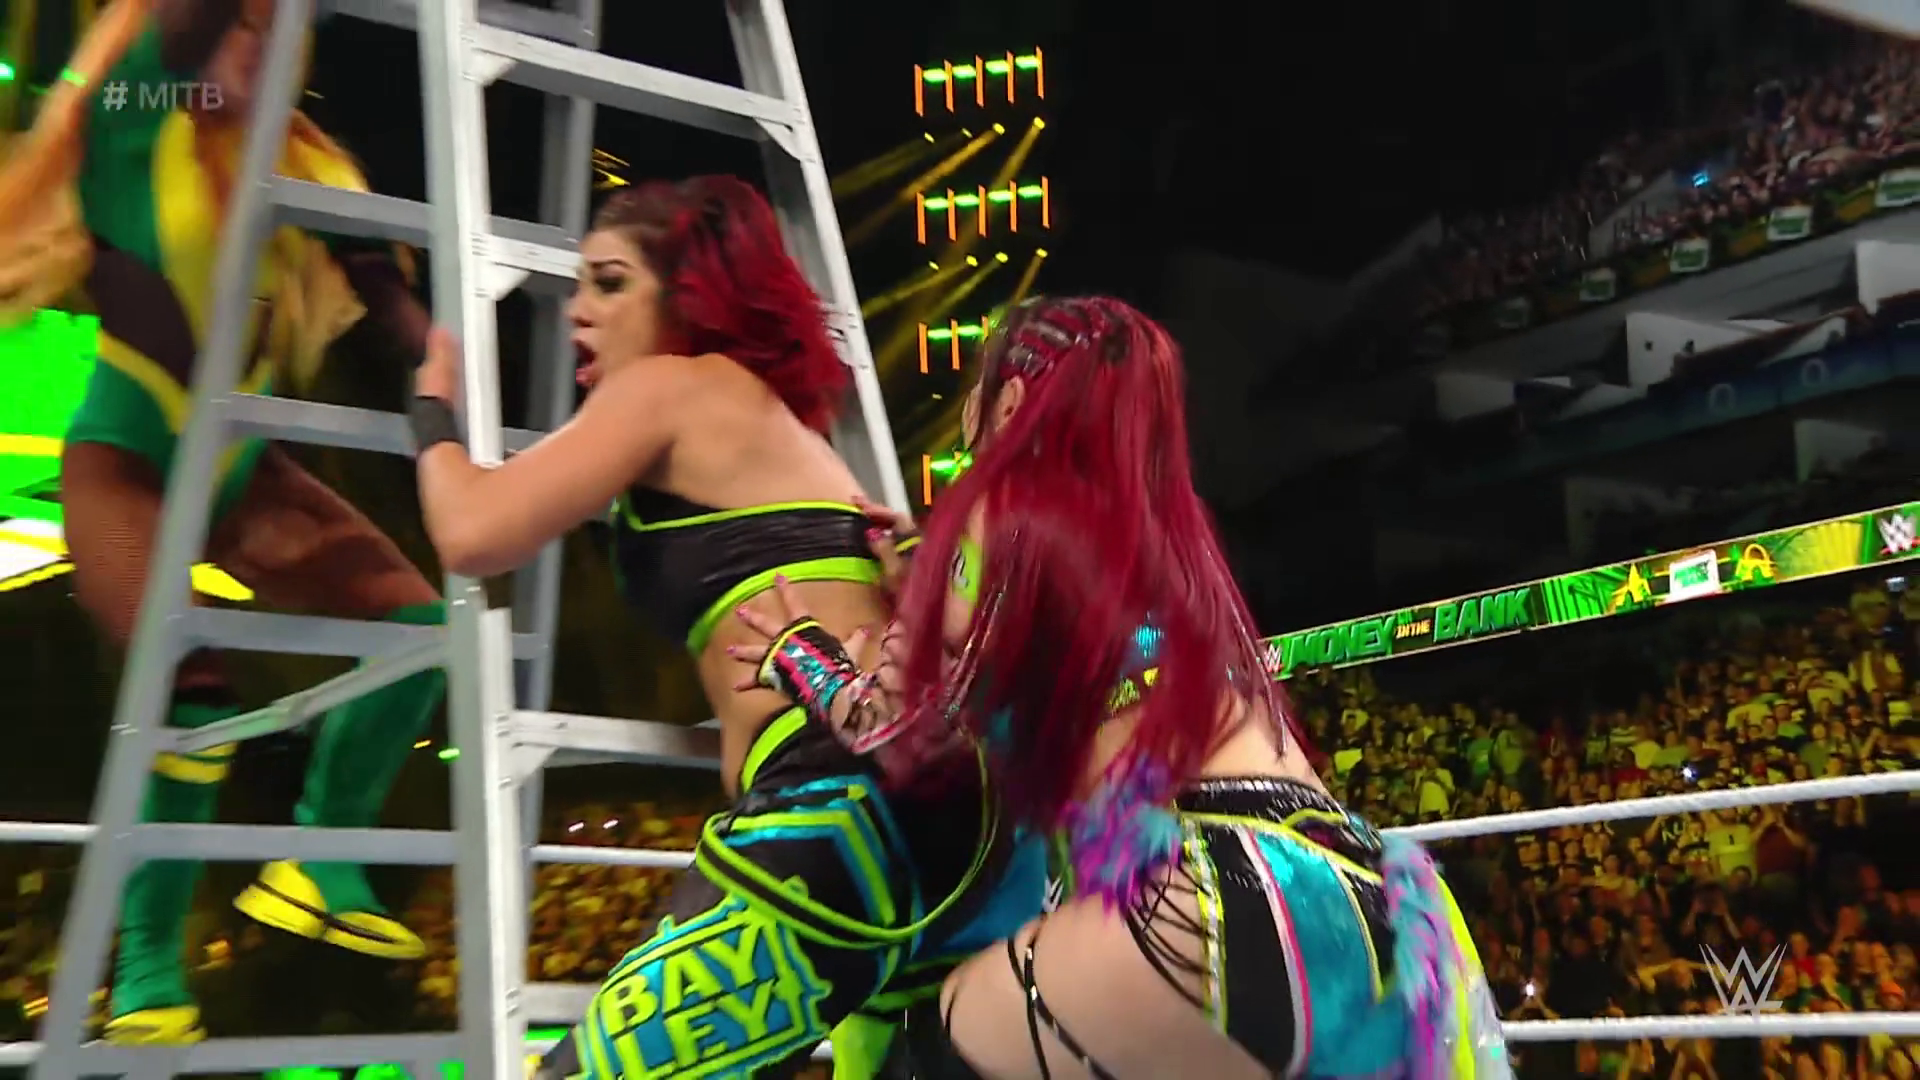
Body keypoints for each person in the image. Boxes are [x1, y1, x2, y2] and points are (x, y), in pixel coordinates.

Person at [729, 296, 1513, 1079]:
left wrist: (804, 658)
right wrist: (925, 573)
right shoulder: (1159, 535)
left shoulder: (1001, 508)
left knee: (929, 1053)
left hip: (1222, 890)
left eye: (978, 388)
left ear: (1010, 401)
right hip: (1358, 894)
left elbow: (904, 738)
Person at [407, 176, 1045, 1078]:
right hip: (966, 824)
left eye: (611, 282)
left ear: (689, 298)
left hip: (850, 804)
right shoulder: (776, 429)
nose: (578, 311)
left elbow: (471, 530)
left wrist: (431, 411)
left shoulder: (675, 387)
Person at [0, 0, 445, 1043]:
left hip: (241, 473)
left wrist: (450, 372)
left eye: (274, 28)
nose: (256, 40)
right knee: (189, 686)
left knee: (422, 629)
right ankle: (148, 977)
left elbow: (389, 302)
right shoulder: (138, 118)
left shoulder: (302, 162)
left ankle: (322, 857)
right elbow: (184, 33)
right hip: (126, 464)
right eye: (239, 23)